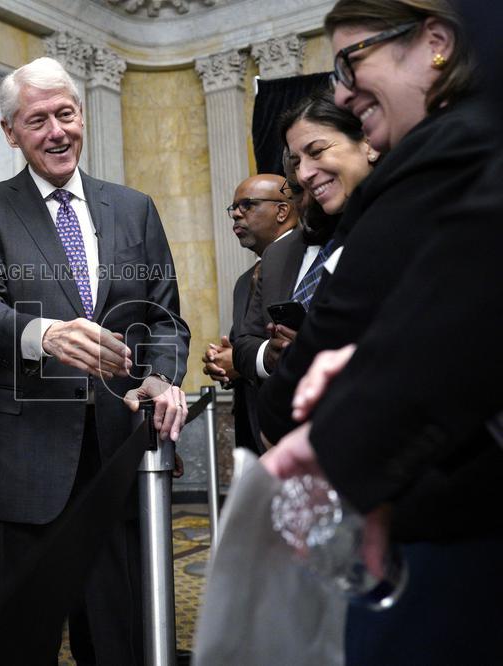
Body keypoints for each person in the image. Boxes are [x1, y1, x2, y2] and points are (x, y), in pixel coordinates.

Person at [257, 0, 502, 662]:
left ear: (437, 41)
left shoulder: (449, 148)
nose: (339, 89)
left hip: (447, 529)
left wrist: (372, 394)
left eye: (351, 59)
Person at [0, 56, 190, 665]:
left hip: (118, 457)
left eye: (66, 113)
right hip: (22, 460)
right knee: (23, 643)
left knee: (121, 638)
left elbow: (162, 317)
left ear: (81, 116)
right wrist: (44, 333)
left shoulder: (133, 207)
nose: (57, 131)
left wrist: (161, 377)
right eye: (38, 120)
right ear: (10, 132)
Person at [234, 90, 374, 391]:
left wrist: (316, 349)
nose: (306, 175)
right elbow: (244, 344)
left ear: (368, 143)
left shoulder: (395, 227)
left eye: (317, 151)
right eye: (297, 163)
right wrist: (270, 356)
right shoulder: (278, 254)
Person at [203, 174, 297, 453]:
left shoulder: (307, 257)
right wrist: (225, 364)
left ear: (282, 211)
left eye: (248, 205)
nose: (236, 214)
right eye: (233, 208)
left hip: (295, 431)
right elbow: (247, 344)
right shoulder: (245, 281)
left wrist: (243, 360)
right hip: (252, 433)